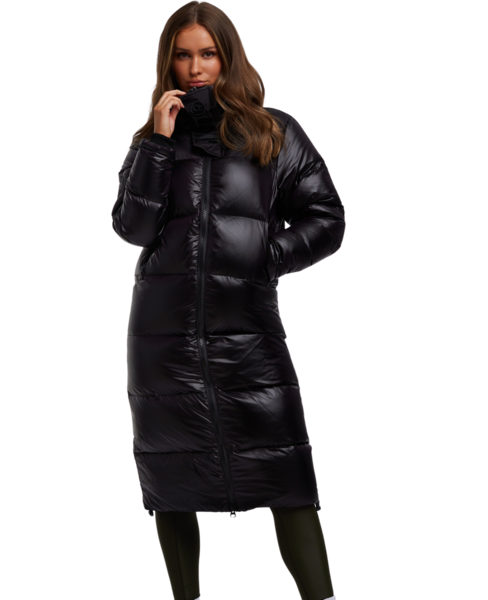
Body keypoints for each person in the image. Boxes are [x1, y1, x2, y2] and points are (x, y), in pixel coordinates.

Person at [111, 2, 345, 600]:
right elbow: (133, 229)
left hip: (247, 329)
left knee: (286, 473)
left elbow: (327, 217)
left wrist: (266, 255)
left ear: (228, 57)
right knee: (171, 477)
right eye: (183, 56)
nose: (196, 69)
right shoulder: (152, 140)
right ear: (168, 63)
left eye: (207, 54)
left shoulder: (272, 131)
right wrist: (157, 144)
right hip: (163, 337)